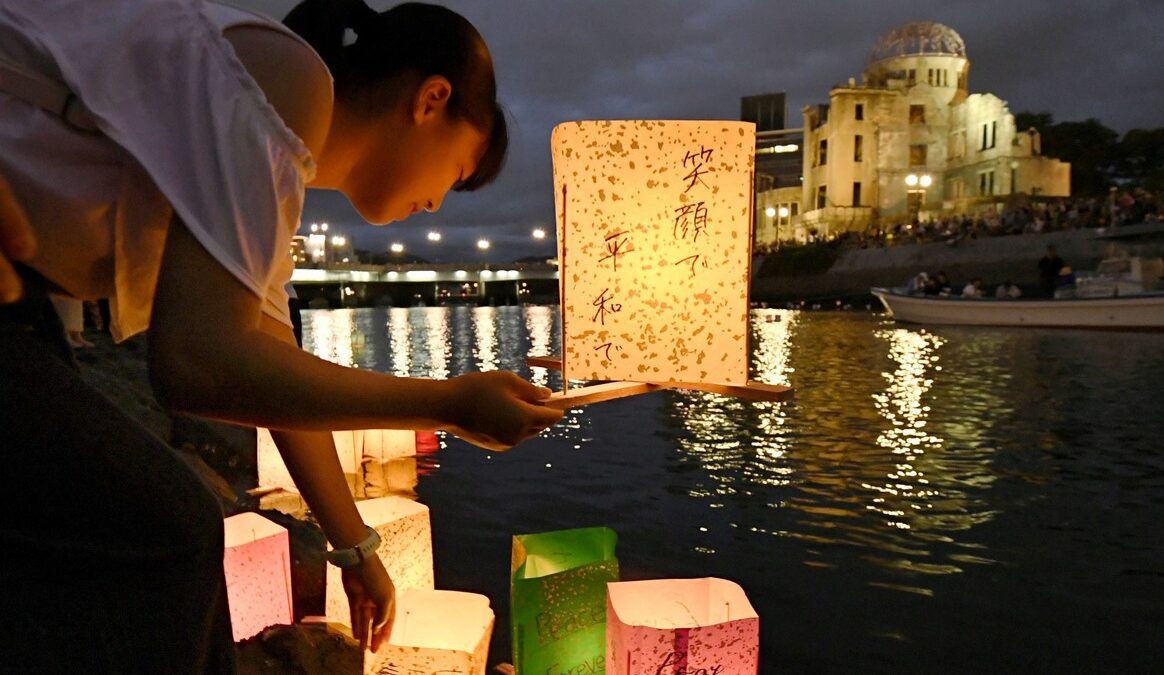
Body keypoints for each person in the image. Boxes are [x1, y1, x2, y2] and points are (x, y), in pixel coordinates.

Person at [0, 1, 562, 672]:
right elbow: (198, 361)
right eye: (458, 174)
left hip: (18, 307)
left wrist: (355, 547)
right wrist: (448, 403)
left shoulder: (261, 170)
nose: (438, 201)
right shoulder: (290, 78)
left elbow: (268, 365)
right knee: (169, 532)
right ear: (431, 101)